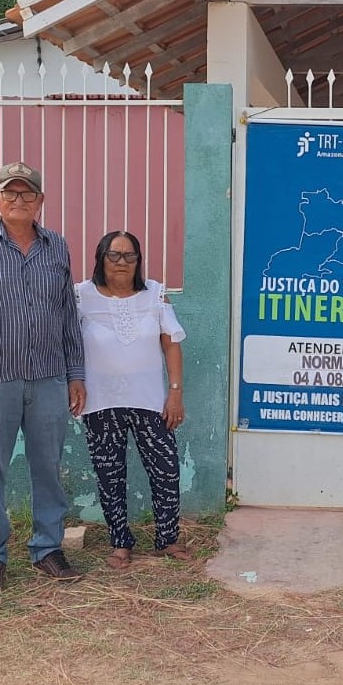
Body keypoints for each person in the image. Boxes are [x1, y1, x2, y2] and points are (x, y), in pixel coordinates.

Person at [0, 161, 87, 595]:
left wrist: (75, 374)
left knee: (48, 467)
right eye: (10, 193)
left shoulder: (57, 247)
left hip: (48, 377)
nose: (18, 201)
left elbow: (67, 319)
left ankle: (47, 548)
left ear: (40, 201)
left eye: (27, 194)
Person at [75, 230, 194, 568]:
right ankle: (120, 542)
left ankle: (167, 538)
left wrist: (175, 393)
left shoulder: (155, 294)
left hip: (151, 402)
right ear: (100, 258)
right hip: (100, 403)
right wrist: (74, 383)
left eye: (130, 256)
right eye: (114, 255)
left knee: (165, 470)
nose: (122, 262)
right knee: (109, 473)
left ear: (139, 261)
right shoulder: (81, 296)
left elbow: (171, 344)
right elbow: (70, 346)